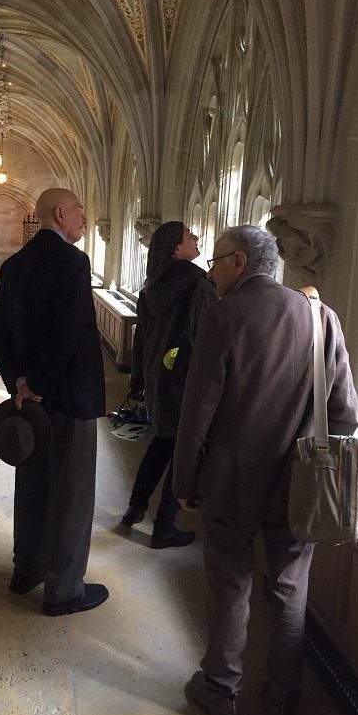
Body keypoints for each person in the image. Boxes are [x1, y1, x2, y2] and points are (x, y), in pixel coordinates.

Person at [173, 225, 358, 715]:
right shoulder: (322, 319)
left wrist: (183, 480)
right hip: (298, 484)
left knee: (230, 587)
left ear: (239, 262)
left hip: (231, 482)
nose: (210, 272)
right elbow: (345, 415)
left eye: (215, 262)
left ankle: (222, 692)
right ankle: (281, 705)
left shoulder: (224, 316)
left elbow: (197, 413)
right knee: (290, 592)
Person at [0, 187, 108, 616]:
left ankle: (27, 571)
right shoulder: (73, 264)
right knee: (72, 493)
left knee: (33, 485)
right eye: (80, 210)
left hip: (29, 403)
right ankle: (63, 590)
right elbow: (70, 331)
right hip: (70, 396)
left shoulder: (13, 265)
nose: (84, 218)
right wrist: (39, 382)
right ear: (60, 214)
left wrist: (19, 384)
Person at [121, 221, 217, 548]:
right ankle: (163, 528)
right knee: (183, 455)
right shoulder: (199, 285)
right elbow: (204, 339)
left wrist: (139, 380)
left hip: (157, 377)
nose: (197, 238)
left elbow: (142, 338)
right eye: (190, 236)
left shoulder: (151, 286)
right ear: (177, 248)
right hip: (185, 379)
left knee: (161, 442)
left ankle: (135, 506)